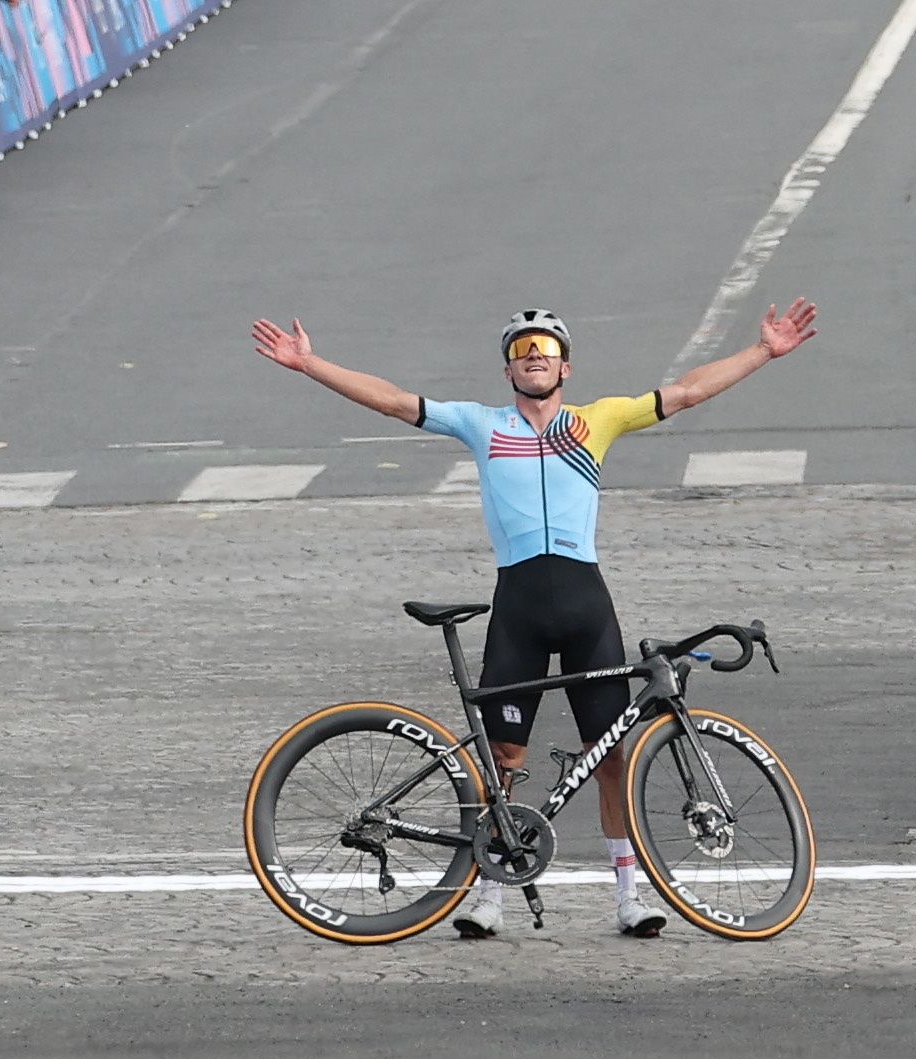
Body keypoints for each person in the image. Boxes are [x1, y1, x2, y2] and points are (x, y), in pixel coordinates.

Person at [252, 299, 818, 939]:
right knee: (503, 756)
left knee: (610, 759)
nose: (534, 360)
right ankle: (490, 894)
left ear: (566, 368)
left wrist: (764, 351)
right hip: (519, 607)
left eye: (544, 352)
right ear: (508, 372)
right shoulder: (480, 424)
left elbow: (685, 393)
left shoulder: (597, 421)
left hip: (586, 606)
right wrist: (310, 364)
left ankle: (630, 898)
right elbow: (392, 400)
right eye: (522, 353)